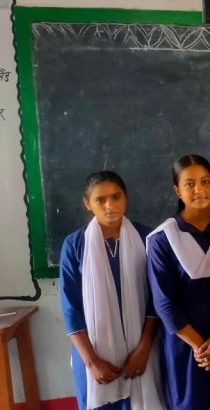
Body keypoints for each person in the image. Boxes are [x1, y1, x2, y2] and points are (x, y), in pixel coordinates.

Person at [59, 171, 165, 410]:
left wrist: (144, 349)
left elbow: (156, 298)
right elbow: (71, 308)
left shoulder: (148, 238)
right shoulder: (75, 245)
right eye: (100, 200)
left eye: (116, 197)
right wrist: (91, 361)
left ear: (126, 198)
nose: (110, 205)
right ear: (88, 204)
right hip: (93, 352)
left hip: (142, 348)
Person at [146, 154, 210, 410]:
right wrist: (203, 349)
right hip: (186, 348)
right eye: (189, 184)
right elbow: (164, 303)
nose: (199, 189)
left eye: (205, 181)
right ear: (177, 190)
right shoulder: (163, 238)